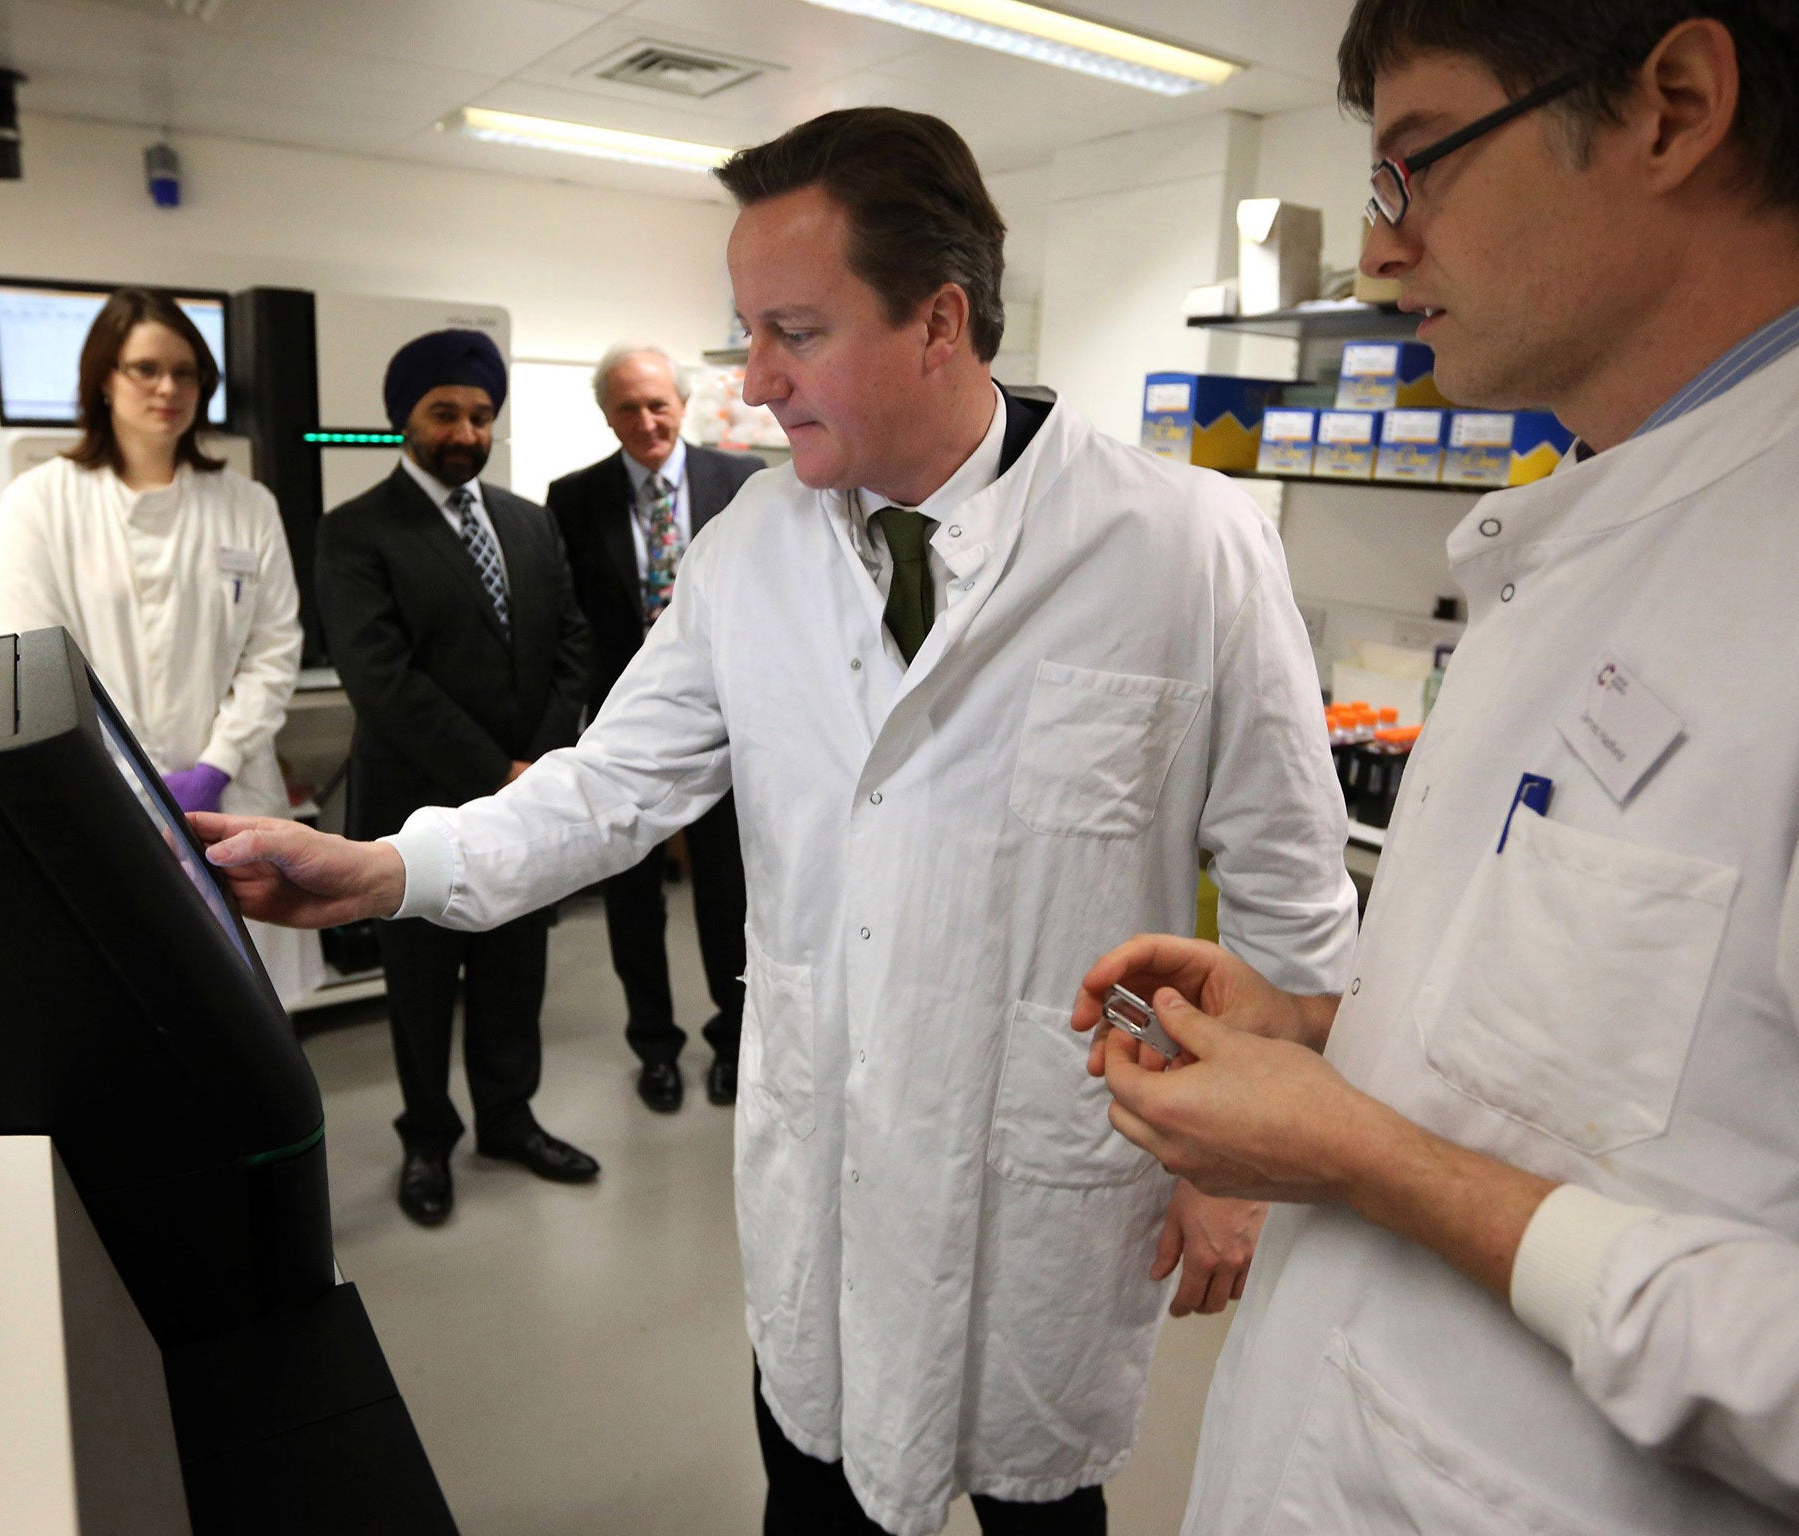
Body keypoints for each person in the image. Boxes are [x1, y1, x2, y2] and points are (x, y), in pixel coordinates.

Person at [193, 109, 1357, 1535]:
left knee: (1041, 1506)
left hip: (1042, 1188)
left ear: (940, 321)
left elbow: (1298, 905)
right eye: (746, 332)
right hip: (832, 1170)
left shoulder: (1189, 546)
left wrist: (1238, 1172)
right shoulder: (754, 550)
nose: (751, 380)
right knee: (810, 1490)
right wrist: (386, 867)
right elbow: (610, 784)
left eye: (793, 332)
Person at [1076, 5, 1799, 1530]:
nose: (1375, 255)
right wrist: (1328, 1033)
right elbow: (1644, 1062)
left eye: (1414, 165)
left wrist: (1366, 1155)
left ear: (1672, 107)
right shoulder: (1595, 523)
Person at [315, 329, 596, 1229]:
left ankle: (508, 1121)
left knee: (517, 970)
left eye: (479, 414)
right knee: (424, 982)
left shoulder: (527, 520)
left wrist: (541, 763)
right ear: (407, 418)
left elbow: (571, 648)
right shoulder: (356, 531)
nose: (465, 431)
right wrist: (498, 771)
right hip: (415, 812)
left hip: (525, 803)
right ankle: (427, 1138)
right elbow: (382, 681)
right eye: (445, 413)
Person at [0, 285, 320, 1007]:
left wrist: (215, 764)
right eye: (145, 368)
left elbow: (273, 650)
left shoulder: (248, 505)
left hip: (232, 792)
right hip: (105, 802)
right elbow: (34, 663)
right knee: (136, 1016)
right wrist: (137, 786)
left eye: (187, 371)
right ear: (103, 379)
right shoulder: (40, 502)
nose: (168, 387)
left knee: (253, 1017)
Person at [547, 344, 761, 1112]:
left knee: (728, 895)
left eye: (658, 403)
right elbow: (567, 622)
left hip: (729, 727)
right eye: (628, 408)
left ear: (682, 403)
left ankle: (735, 1039)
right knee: (631, 901)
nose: (646, 421)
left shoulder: (743, 485)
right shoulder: (572, 499)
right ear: (608, 416)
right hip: (624, 735)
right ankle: (655, 1046)